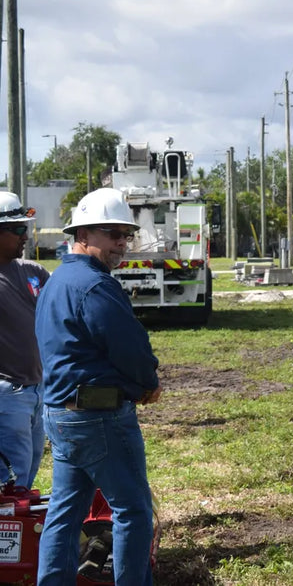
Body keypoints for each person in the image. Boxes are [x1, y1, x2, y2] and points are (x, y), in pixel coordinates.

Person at [35, 187, 161, 586]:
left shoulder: (57, 282)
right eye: (112, 234)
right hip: (98, 417)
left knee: (65, 511)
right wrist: (145, 383)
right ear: (84, 235)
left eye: (125, 234)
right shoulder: (94, 286)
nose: (121, 244)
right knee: (133, 511)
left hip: (62, 414)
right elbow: (129, 349)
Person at [0, 191, 49, 488]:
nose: (25, 236)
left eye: (26, 228)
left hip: (37, 391)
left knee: (26, 475)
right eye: (18, 229)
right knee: (10, 479)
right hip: (7, 393)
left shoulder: (34, 272)